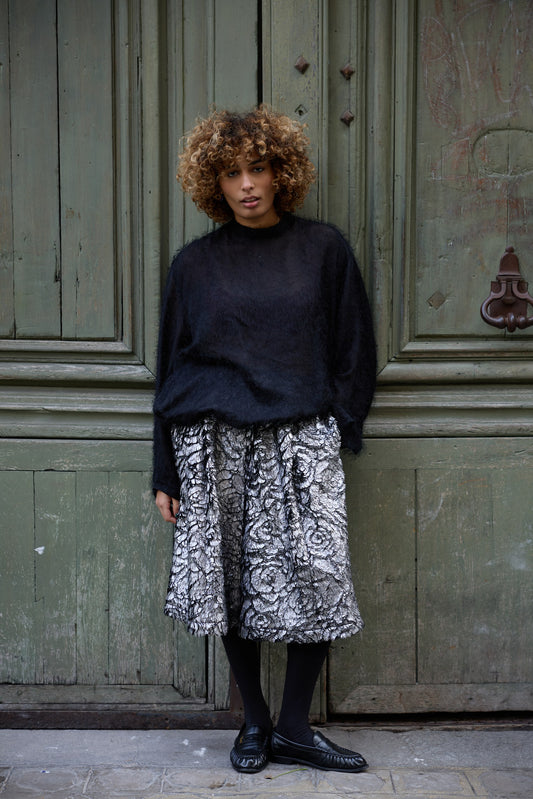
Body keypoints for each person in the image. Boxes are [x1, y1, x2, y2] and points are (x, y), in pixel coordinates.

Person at [153, 106, 376, 774]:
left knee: (319, 577)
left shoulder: (323, 249)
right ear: (212, 183)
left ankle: (294, 728)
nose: (247, 184)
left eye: (258, 168)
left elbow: (354, 348)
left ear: (282, 173)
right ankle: (253, 722)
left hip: (302, 438)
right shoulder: (194, 265)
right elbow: (170, 370)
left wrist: (335, 426)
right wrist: (165, 470)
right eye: (231, 173)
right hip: (212, 442)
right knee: (228, 581)